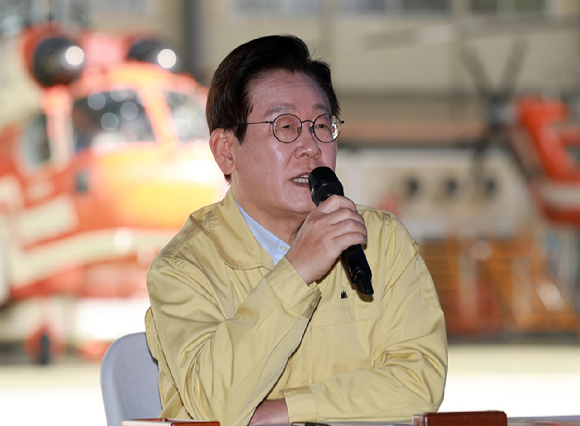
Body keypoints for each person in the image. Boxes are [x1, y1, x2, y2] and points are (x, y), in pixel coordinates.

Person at [145, 34, 447, 426]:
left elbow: (421, 383)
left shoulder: (381, 240)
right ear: (225, 150)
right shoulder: (183, 268)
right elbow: (214, 406)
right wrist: (298, 269)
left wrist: (288, 411)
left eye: (321, 125)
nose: (310, 146)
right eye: (285, 126)